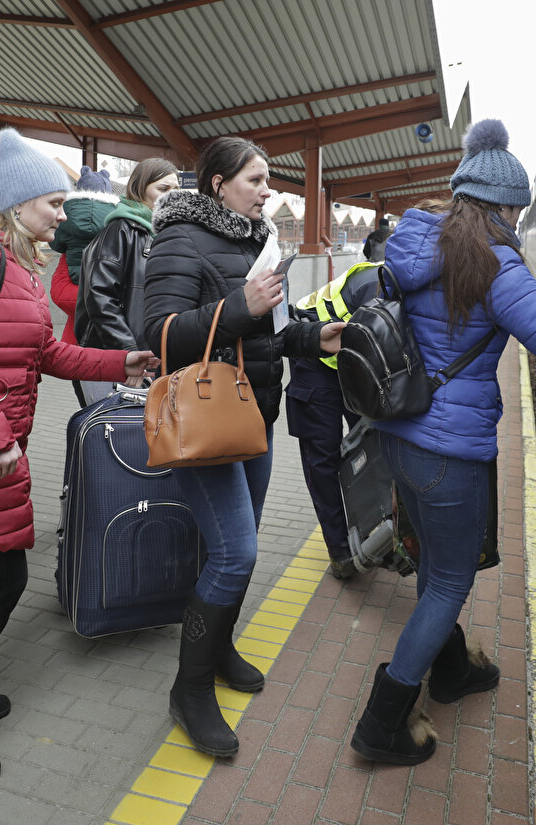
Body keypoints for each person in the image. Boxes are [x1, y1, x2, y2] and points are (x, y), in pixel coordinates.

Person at [350, 119, 536, 766]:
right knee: (449, 581)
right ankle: (383, 721)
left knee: (433, 567)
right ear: (505, 207)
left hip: (398, 435)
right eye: (518, 208)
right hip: (450, 453)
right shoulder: (496, 265)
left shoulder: (414, 240)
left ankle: (452, 669)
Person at [0, 128, 158, 785]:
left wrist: (116, 361)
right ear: (17, 206)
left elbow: (44, 353)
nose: (62, 213)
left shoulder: (17, 265)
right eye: (52, 202)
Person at [140, 135, 344, 758]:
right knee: (236, 552)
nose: (267, 191)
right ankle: (189, 690)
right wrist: (239, 305)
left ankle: (219, 648)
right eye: (255, 180)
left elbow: (270, 336)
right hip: (206, 419)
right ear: (217, 185)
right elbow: (160, 334)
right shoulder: (180, 237)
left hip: (253, 417)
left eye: (267, 181)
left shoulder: (256, 242)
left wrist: (314, 339)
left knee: (236, 552)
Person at [286, 261, 382, 578]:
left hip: (352, 362)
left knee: (372, 450)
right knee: (323, 460)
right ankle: (339, 551)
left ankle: (372, 534)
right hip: (314, 356)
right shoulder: (379, 285)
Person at [75, 156, 179, 351]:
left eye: (176, 190)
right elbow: (99, 297)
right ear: (139, 189)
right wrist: (128, 349)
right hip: (118, 359)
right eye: (163, 189)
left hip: (156, 355)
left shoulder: (172, 234)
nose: (172, 196)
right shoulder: (120, 231)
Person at [47, 165, 118, 406]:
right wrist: (108, 300)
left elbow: (60, 293)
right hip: (104, 346)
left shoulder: (68, 221)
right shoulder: (118, 225)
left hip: (82, 341)